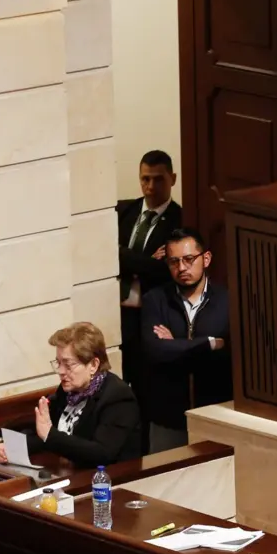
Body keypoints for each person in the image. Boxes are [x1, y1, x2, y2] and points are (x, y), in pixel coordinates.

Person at [0, 323, 142, 468]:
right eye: (58, 363)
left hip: (109, 479)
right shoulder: (68, 392)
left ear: (93, 365)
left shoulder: (118, 398)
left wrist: (50, 435)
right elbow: (44, 436)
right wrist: (12, 448)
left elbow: (102, 453)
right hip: (70, 475)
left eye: (68, 364)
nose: (61, 371)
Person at [140, 228, 231, 452]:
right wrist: (208, 343)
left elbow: (230, 356)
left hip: (215, 414)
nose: (181, 268)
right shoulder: (155, 301)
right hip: (168, 418)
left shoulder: (227, 302)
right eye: (174, 262)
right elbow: (156, 351)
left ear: (206, 259)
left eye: (189, 259)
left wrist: (175, 345)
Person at [118, 150, 182, 447]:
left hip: (151, 318)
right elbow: (106, 254)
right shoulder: (125, 211)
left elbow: (164, 270)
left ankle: (144, 450)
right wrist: (142, 260)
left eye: (158, 180)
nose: (151, 187)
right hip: (121, 315)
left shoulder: (179, 220)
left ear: (173, 179)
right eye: (145, 179)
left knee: (146, 391)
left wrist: (125, 256)